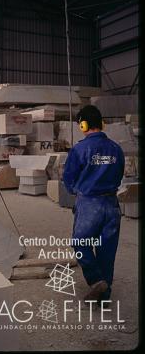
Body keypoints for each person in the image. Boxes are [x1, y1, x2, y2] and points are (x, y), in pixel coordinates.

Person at [63, 105, 125, 305]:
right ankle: (104, 296)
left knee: (81, 244)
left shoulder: (80, 149)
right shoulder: (116, 148)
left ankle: (96, 281)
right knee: (107, 250)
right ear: (102, 123)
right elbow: (120, 173)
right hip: (112, 205)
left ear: (83, 124)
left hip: (90, 204)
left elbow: (69, 180)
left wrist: (78, 190)